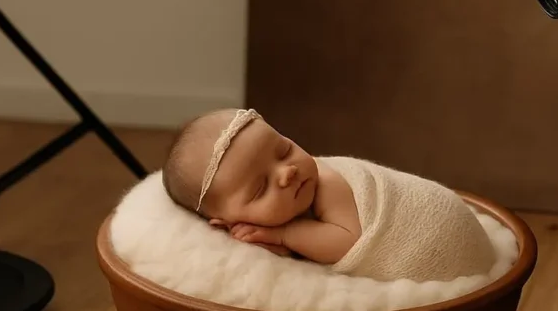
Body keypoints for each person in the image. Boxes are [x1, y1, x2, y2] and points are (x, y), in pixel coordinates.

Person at [160, 107, 497, 282]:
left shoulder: (329, 184)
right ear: (225, 222)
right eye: (261, 188)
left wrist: (286, 234)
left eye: (283, 150)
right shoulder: (287, 197)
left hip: (440, 239)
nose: (287, 172)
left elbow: (349, 242)